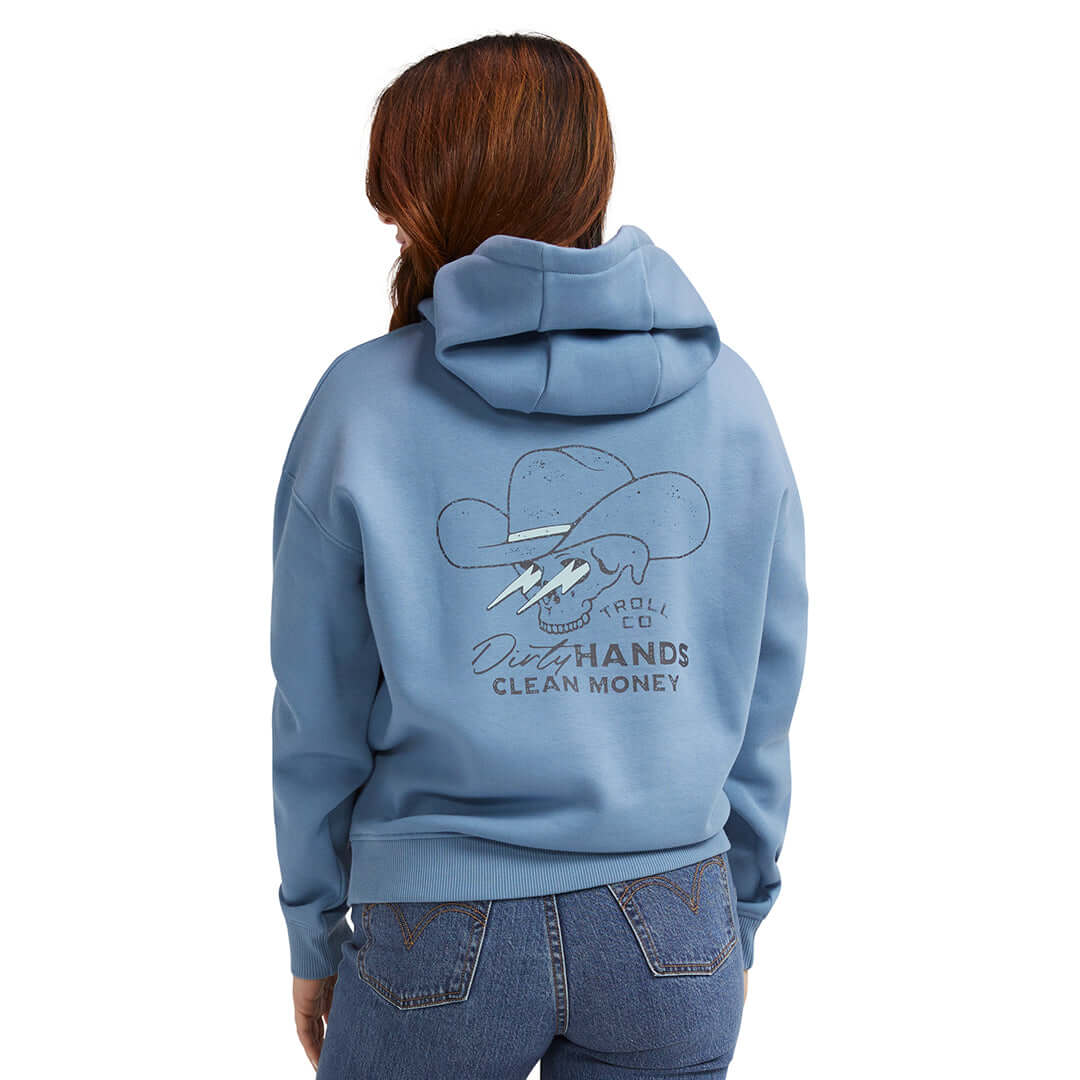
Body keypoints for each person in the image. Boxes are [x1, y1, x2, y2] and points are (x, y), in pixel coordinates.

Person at [271, 32, 807, 1079]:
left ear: (435, 195)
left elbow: (315, 712)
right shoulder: (732, 398)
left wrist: (310, 928)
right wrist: (737, 908)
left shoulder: (361, 404)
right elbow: (765, 688)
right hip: (676, 926)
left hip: (439, 929)